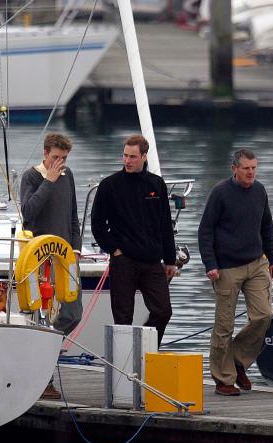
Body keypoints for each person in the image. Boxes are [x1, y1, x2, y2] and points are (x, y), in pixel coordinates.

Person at [198, 148, 273, 397]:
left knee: (263, 316)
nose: (251, 173)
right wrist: (210, 264)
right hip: (226, 267)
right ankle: (223, 379)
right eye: (246, 168)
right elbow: (205, 231)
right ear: (234, 169)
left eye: (254, 168)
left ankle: (236, 361)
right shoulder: (220, 193)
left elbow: (266, 226)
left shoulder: (260, 191)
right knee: (224, 325)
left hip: (257, 263)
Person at [91, 134, 177, 347]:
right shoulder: (109, 185)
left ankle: (145, 349)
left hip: (151, 260)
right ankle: (123, 365)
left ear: (144, 157)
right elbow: (97, 225)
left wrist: (171, 260)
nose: (127, 161)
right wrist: (114, 250)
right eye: (125, 156)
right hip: (124, 260)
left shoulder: (156, 184)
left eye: (132, 157)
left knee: (163, 311)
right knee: (123, 319)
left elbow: (165, 223)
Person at [20, 132, 82, 400]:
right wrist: (48, 181)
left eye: (64, 158)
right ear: (45, 154)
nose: (60, 163)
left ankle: (42, 354)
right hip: (40, 257)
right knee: (43, 316)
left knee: (72, 312)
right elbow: (28, 212)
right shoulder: (31, 177)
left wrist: (76, 247)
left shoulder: (68, 176)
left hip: (64, 256)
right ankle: (43, 377)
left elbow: (72, 215)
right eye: (56, 157)